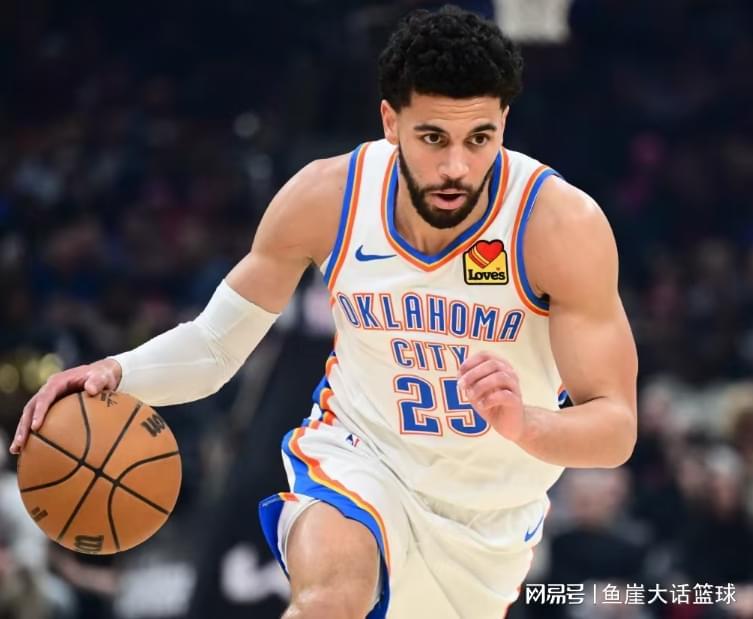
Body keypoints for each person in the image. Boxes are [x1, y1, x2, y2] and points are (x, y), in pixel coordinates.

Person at [10, 5, 638, 618]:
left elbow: (615, 427)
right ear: (390, 120)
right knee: (330, 600)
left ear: (504, 121)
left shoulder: (558, 225)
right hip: (359, 457)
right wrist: (119, 372)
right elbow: (216, 345)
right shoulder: (327, 197)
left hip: (488, 519)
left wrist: (525, 423)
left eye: (480, 139)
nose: (456, 166)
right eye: (432, 138)